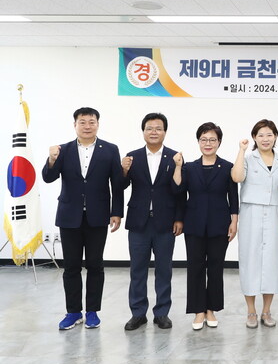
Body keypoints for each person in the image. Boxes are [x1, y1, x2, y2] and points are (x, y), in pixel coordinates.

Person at [42, 107, 124, 330]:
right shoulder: (63, 150)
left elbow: (117, 184)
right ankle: (73, 312)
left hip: (98, 216)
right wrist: (51, 159)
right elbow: (48, 178)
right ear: (75, 125)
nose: (87, 126)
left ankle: (92, 312)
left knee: (96, 265)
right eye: (82, 122)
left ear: (98, 124)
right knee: (71, 267)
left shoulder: (110, 149)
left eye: (91, 122)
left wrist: (116, 212)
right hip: (70, 216)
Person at [122, 113, 185, 331]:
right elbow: (120, 186)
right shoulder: (132, 157)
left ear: (165, 132)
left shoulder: (174, 157)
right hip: (138, 222)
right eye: (149, 128)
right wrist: (123, 170)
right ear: (143, 131)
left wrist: (179, 218)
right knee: (137, 269)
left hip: (165, 223)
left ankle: (162, 313)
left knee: (164, 270)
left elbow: (180, 191)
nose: (154, 132)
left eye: (158, 128)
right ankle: (138, 313)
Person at [173, 122, 239, 330]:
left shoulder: (227, 167)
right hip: (194, 224)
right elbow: (178, 191)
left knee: (216, 267)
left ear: (219, 142)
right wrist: (178, 166)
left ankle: (211, 309)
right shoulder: (189, 167)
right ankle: (198, 311)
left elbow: (233, 197)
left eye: (212, 139)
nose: (208, 143)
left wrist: (234, 221)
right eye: (204, 139)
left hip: (220, 224)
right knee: (195, 267)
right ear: (198, 142)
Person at [232, 119, 278, 329]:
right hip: (251, 213)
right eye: (261, 135)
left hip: (274, 213)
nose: (265, 139)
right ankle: (251, 311)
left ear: (275, 137)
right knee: (249, 260)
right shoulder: (248, 158)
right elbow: (236, 177)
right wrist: (241, 150)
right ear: (254, 138)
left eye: (269, 135)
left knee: (272, 262)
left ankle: (266, 311)